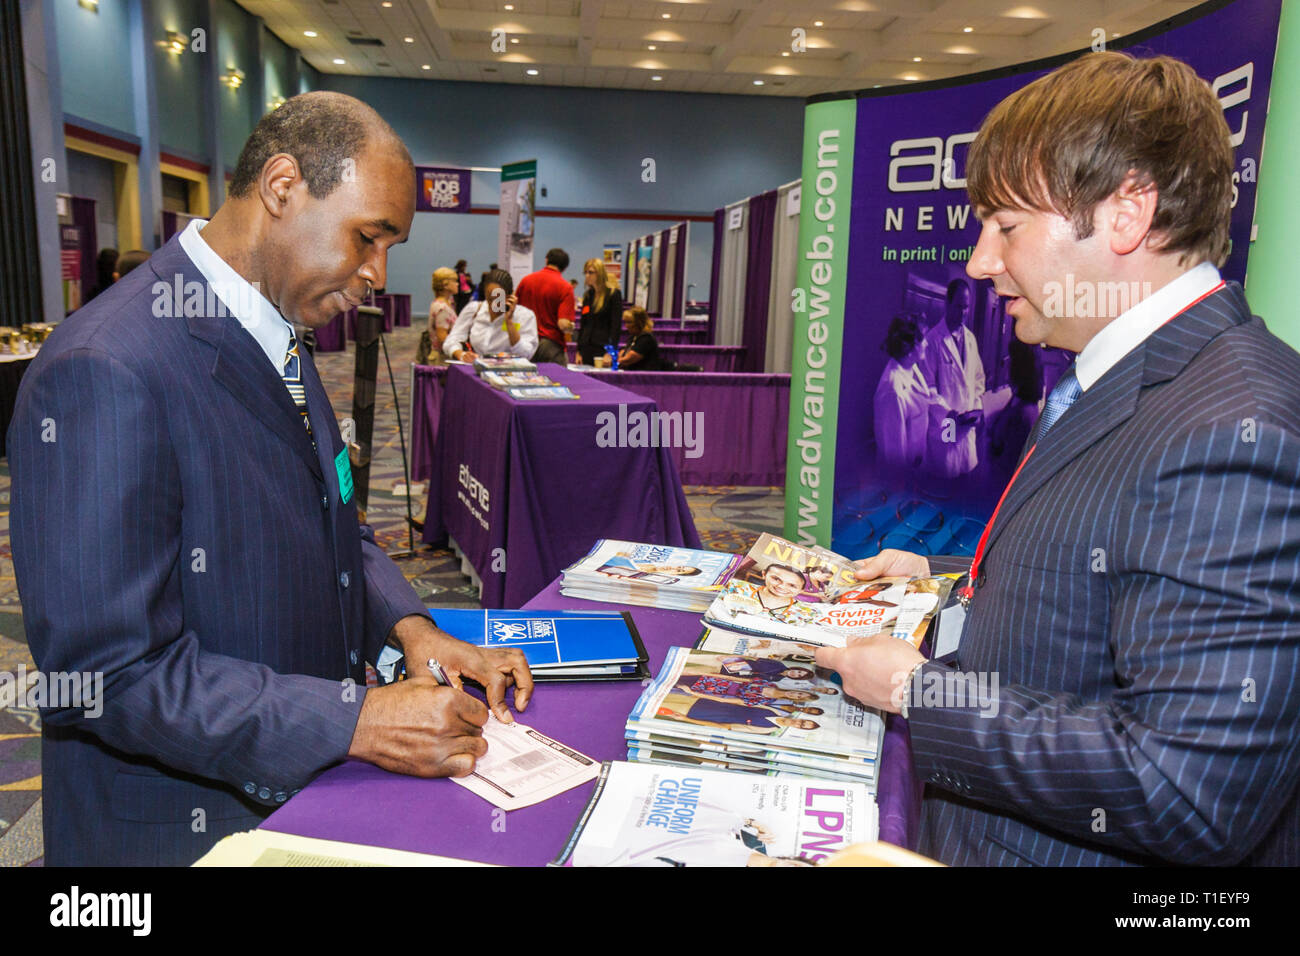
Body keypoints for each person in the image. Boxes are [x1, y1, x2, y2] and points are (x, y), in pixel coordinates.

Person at [7, 91, 534, 866]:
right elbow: (105, 675)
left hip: (295, 797)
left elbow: (336, 524)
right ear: (283, 187)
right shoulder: (105, 367)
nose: (377, 273)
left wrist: (411, 629)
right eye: (367, 236)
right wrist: (356, 721)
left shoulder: (277, 332)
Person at [816, 52, 1300, 866]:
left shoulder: (1236, 430)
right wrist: (939, 577)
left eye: (1006, 227)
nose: (978, 261)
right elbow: (1111, 572)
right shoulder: (1114, 371)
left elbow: (1185, 789)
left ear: (1126, 213)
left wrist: (917, 692)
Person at [917, 279, 987, 478]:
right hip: (945, 425)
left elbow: (978, 379)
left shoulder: (971, 339)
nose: (963, 313)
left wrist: (975, 408)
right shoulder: (932, 340)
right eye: (958, 306)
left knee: (965, 481)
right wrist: (949, 414)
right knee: (944, 483)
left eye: (966, 308)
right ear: (947, 303)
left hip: (967, 429)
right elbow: (927, 387)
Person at [873, 313, 935, 471]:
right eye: (922, 339)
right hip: (902, 482)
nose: (926, 343)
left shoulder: (911, 368)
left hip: (919, 468)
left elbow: (922, 400)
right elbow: (893, 460)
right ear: (908, 348)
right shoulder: (892, 391)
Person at [442, 268, 538, 362]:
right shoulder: (474, 310)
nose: (493, 304)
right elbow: (451, 340)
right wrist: (462, 355)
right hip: (475, 368)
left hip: (507, 371)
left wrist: (509, 323)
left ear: (510, 296)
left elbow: (526, 354)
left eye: (498, 298)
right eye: (489, 298)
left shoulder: (525, 316)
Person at [515, 247, 574, 364]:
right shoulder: (565, 287)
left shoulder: (526, 281)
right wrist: (571, 327)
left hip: (525, 342)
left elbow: (514, 311)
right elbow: (562, 324)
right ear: (565, 267)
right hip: (550, 345)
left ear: (546, 260)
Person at [574, 258, 623, 365]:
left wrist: (610, 352)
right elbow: (583, 325)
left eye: (590, 272)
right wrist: (578, 351)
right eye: (585, 272)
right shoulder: (588, 295)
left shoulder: (613, 294)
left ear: (600, 273)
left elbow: (616, 326)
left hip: (603, 348)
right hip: (586, 348)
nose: (587, 275)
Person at [419, 266, 459, 364]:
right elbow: (442, 337)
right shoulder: (443, 308)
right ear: (445, 285)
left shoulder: (444, 303)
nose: (457, 284)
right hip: (443, 358)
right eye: (454, 281)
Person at [618, 306, 671, 370]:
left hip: (645, 377)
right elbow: (623, 352)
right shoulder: (633, 336)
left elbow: (627, 360)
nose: (626, 326)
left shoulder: (646, 338)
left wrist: (616, 360)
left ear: (638, 323)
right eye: (625, 322)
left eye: (629, 322)